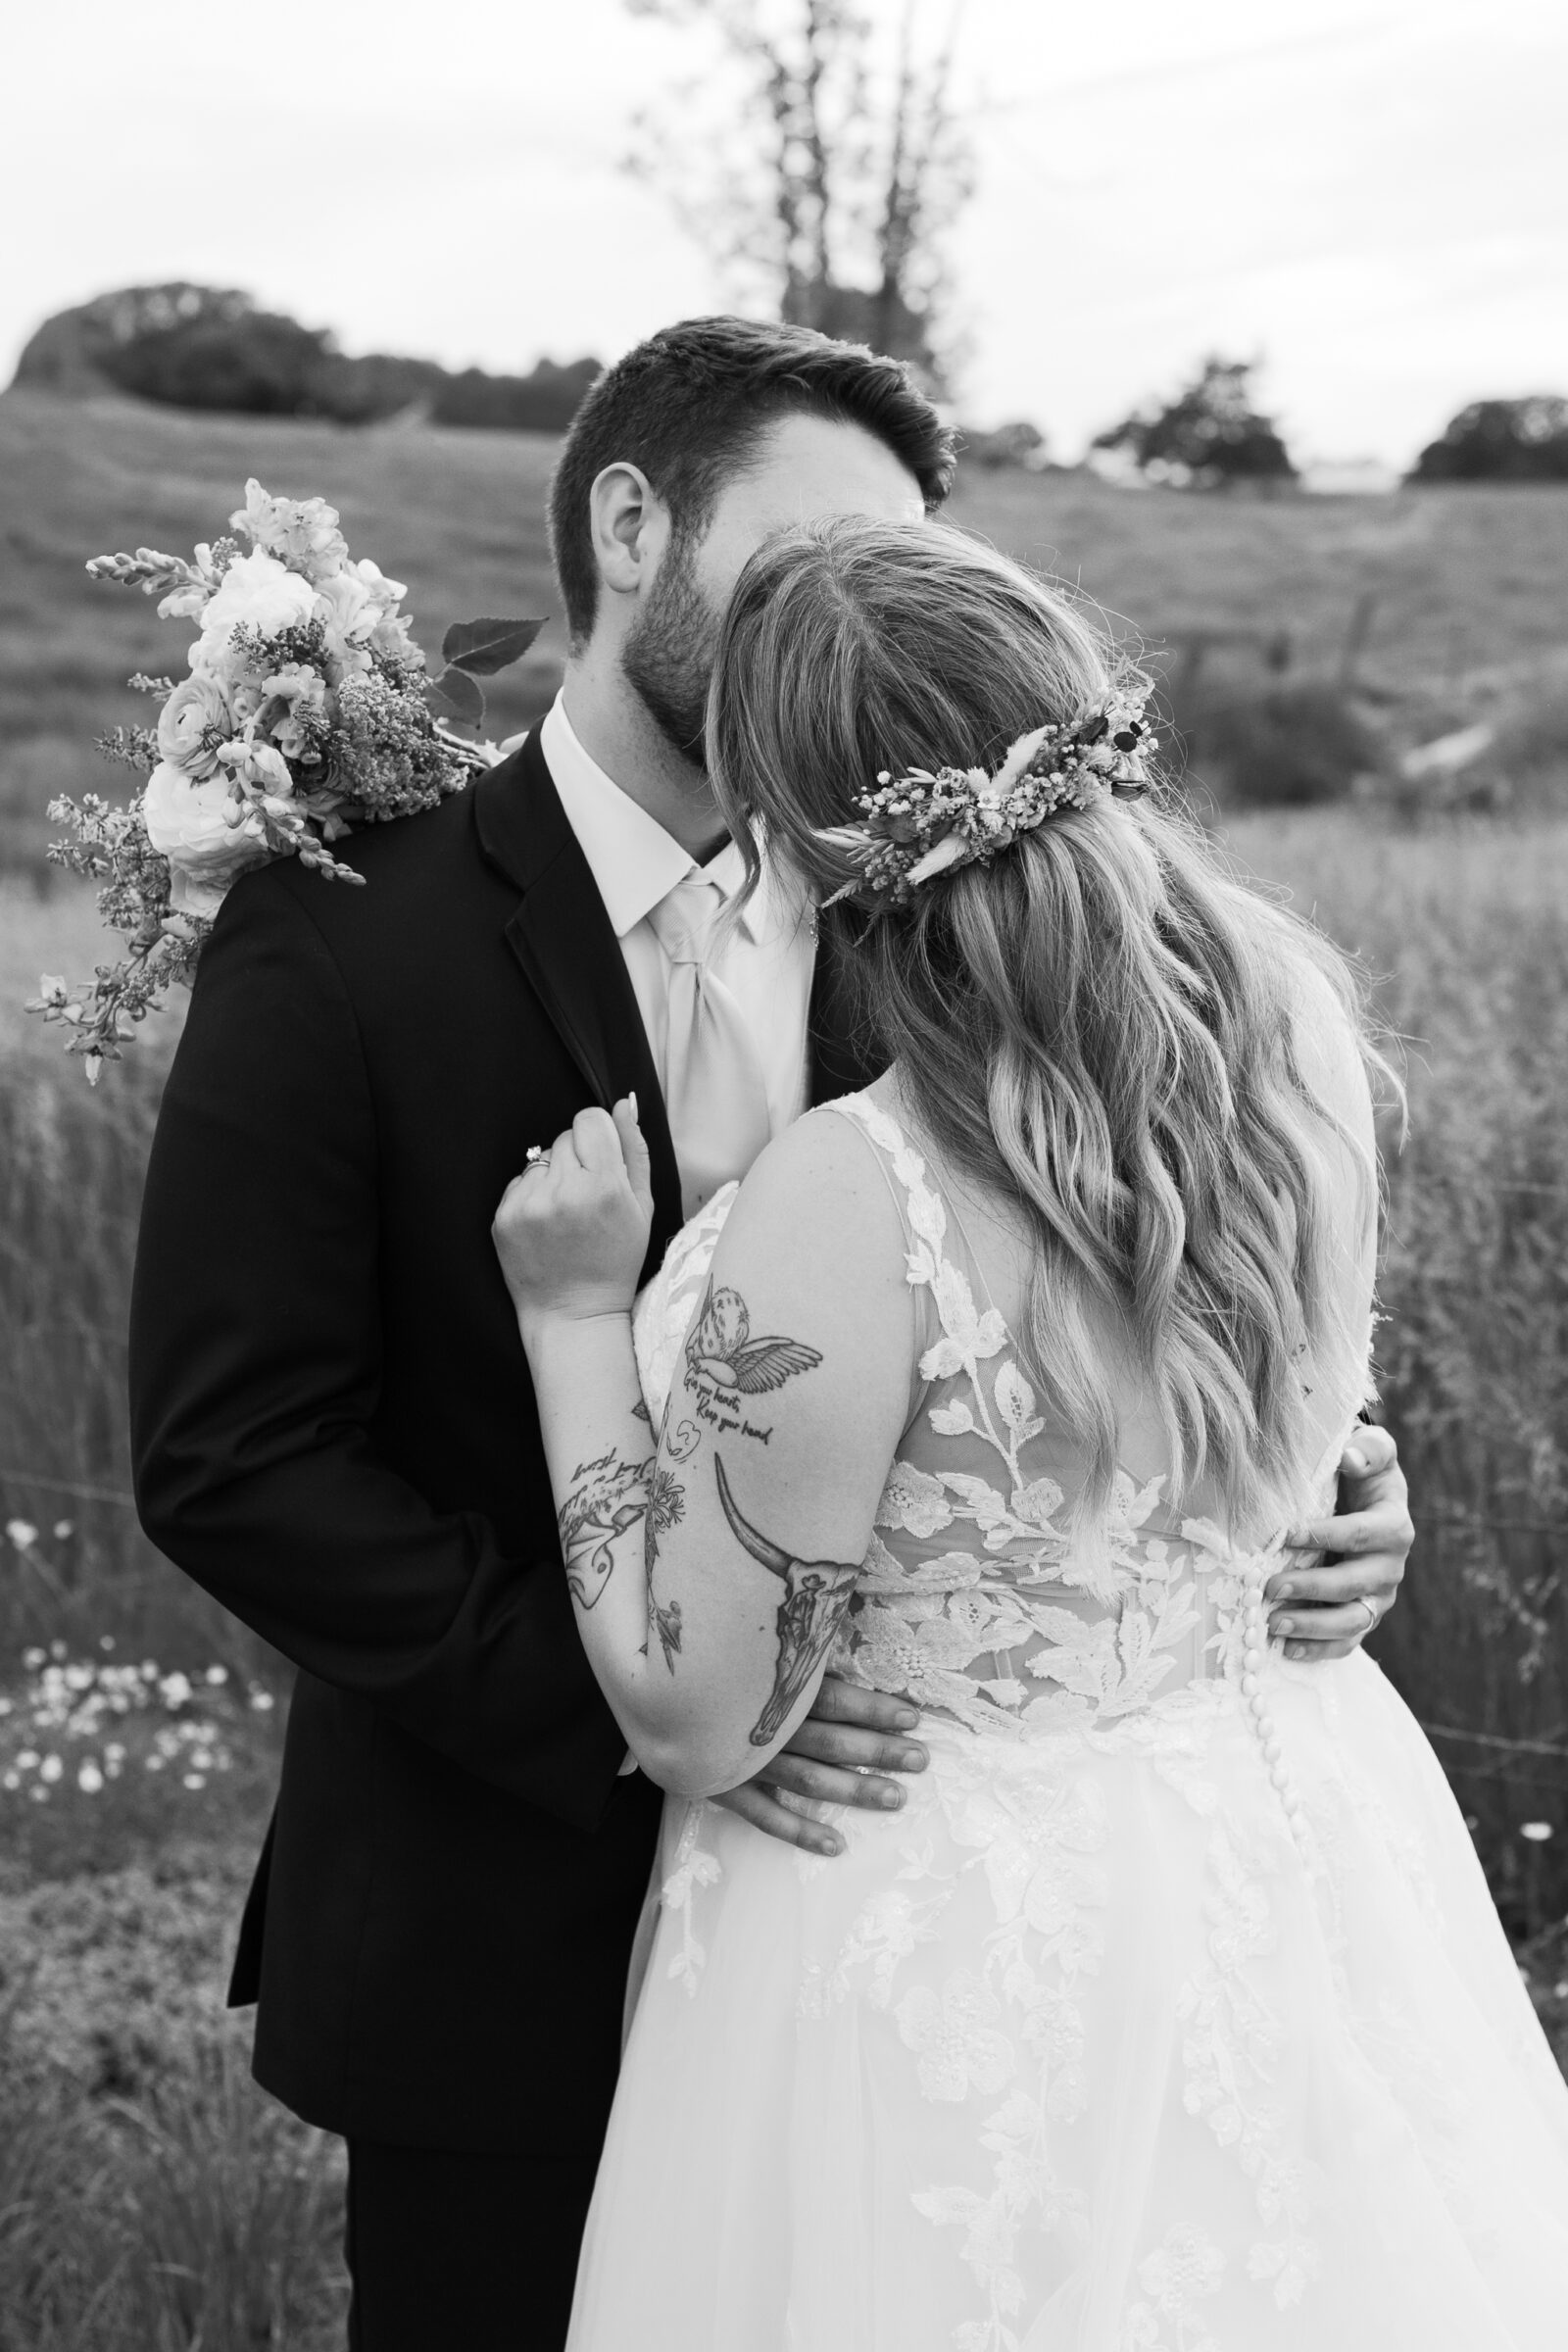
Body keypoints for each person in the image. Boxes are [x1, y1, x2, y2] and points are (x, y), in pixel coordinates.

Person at [128, 318, 1411, 2352]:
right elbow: (234, 1447)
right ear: (629, 525)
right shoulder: (346, 929)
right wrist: (664, 1723)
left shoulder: (951, 892)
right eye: (803, 559)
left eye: (892, 563)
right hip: (512, 1913)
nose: (849, 619)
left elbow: (1099, 1259)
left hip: (948, 1934)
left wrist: (1322, 1478)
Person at [495, 516, 1568, 2350]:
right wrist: (1349, 1484)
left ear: (795, 835)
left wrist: (576, 1315)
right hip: (1274, 1853)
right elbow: (1246, 1413)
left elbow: (693, 1710)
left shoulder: (859, 1192)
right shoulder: (1293, 1041)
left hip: (946, 1932)